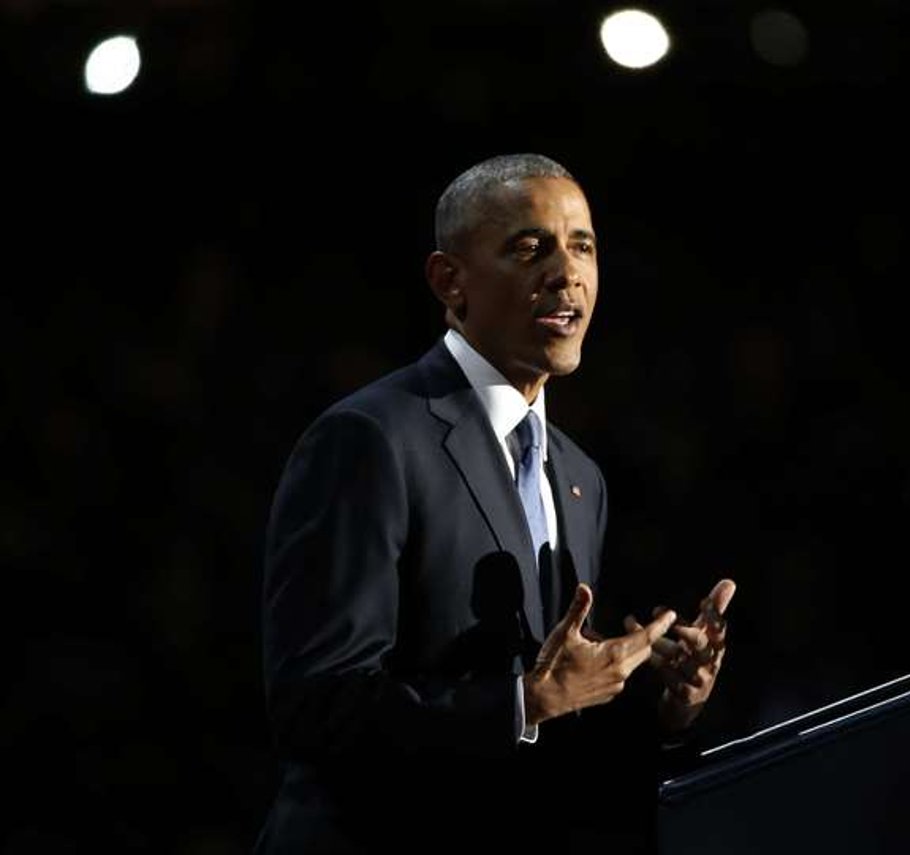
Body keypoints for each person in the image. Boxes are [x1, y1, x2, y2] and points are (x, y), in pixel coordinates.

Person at [254, 153, 736, 854]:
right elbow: (315, 705)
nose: (565, 271)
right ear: (450, 281)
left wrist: (665, 708)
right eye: (528, 247)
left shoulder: (578, 473)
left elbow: (550, 724)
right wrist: (524, 700)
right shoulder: (370, 439)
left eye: (582, 246)